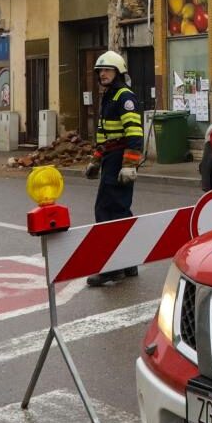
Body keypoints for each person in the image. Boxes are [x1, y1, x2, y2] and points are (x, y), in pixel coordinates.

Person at [84, 51, 143, 286]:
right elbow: (105, 135)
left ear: (118, 72)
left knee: (107, 212)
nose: (103, 74)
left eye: (107, 70)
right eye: (100, 71)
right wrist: (96, 160)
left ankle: (111, 268)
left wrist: (129, 165)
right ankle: (128, 264)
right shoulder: (109, 96)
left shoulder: (124, 97)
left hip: (120, 160)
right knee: (119, 212)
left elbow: (134, 133)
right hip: (111, 158)